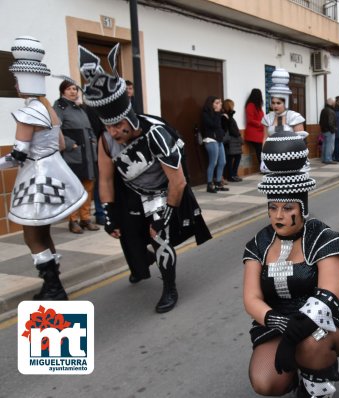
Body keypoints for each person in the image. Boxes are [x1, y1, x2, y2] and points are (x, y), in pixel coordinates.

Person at [79, 43, 211, 312]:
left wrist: (167, 214)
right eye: (108, 126)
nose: (114, 132)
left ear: (129, 117)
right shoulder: (105, 140)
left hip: (162, 191)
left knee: (158, 235)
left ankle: (169, 287)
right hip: (132, 192)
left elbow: (178, 182)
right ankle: (141, 266)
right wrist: (108, 213)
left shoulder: (156, 134)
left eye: (118, 125)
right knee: (127, 234)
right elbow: (105, 179)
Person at [243, 130, 339, 397]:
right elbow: (251, 297)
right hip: (283, 319)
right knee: (264, 382)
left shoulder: (326, 239)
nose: (279, 216)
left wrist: (291, 339)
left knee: (311, 347)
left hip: (336, 315)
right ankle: (298, 373)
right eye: (273, 207)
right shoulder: (259, 244)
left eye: (288, 208)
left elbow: (327, 298)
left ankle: (316, 383)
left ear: (302, 208)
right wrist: (279, 323)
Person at [1, 36, 87, 300]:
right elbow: (60, 144)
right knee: (43, 232)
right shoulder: (48, 109)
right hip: (55, 172)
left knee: (31, 235)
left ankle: (53, 287)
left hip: (37, 178)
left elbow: (17, 156)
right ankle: (52, 284)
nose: (15, 85)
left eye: (16, 79)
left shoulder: (28, 113)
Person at [53, 80, 100, 234]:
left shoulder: (80, 108)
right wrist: (69, 144)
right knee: (73, 186)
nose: (73, 91)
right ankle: (73, 221)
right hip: (74, 154)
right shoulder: (60, 106)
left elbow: (89, 128)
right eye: (69, 89)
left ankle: (85, 219)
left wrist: (93, 140)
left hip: (87, 152)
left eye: (75, 89)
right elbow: (55, 128)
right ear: (63, 91)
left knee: (88, 185)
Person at [262, 68, 310, 172]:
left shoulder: (294, 117)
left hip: (293, 160)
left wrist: (300, 159)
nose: (275, 106)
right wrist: (263, 157)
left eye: (278, 103)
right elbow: (265, 139)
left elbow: (300, 142)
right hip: (273, 160)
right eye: (273, 103)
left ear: (286, 102)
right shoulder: (267, 118)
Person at [202, 95, 228, 193]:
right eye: (216, 103)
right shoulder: (206, 114)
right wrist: (218, 113)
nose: (219, 104)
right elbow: (214, 125)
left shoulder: (219, 114)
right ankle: (209, 185)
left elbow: (222, 127)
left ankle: (218, 183)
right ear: (211, 104)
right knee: (213, 162)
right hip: (211, 140)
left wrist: (224, 117)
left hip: (219, 140)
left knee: (223, 162)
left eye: (220, 102)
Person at [222, 99, 243, 182]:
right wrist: (237, 134)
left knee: (236, 156)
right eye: (232, 105)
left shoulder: (229, 116)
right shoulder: (224, 116)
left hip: (234, 140)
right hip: (230, 140)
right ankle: (231, 175)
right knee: (230, 158)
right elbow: (229, 128)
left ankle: (234, 174)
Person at [244, 88, 265, 165]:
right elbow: (250, 120)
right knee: (259, 151)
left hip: (259, 132)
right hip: (254, 133)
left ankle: (263, 167)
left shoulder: (258, 106)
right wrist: (260, 123)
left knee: (261, 151)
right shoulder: (251, 105)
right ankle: (263, 167)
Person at [318, 97, 336, 164]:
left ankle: (324, 158)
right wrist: (333, 130)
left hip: (324, 130)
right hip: (329, 131)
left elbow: (320, 121)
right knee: (329, 145)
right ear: (331, 103)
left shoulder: (323, 110)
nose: (334, 104)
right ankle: (328, 159)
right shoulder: (331, 111)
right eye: (334, 103)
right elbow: (330, 122)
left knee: (325, 144)